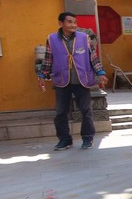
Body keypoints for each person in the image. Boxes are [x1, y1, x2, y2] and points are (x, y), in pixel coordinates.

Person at [38, 11, 107, 150]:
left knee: (86, 110)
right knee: (61, 112)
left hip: (81, 79)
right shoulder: (52, 39)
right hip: (62, 80)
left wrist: (100, 72)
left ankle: (87, 138)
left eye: (75, 22)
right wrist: (42, 76)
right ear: (61, 23)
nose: (73, 25)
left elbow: (93, 57)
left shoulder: (84, 38)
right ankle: (65, 140)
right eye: (70, 22)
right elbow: (48, 59)